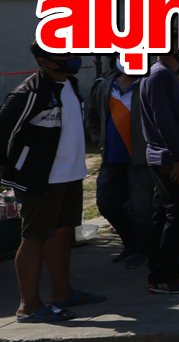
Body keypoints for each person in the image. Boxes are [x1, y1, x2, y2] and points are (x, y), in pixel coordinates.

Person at [2, 44, 104, 321]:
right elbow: (4, 131)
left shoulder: (69, 84)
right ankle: (29, 307)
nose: (72, 59)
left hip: (70, 173)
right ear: (45, 62)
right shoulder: (29, 93)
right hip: (41, 178)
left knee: (61, 231)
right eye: (64, 56)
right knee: (34, 238)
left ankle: (62, 292)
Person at [139, 49, 179, 294]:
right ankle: (165, 276)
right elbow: (163, 119)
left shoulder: (164, 75)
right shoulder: (160, 75)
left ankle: (167, 271)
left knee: (165, 216)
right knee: (178, 217)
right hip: (169, 158)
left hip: (167, 156)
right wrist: (178, 156)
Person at [94, 59, 152, 268]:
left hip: (140, 159)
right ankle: (130, 244)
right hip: (111, 158)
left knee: (142, 208)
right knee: (106, 203)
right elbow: (93, 116)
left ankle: (144, 250)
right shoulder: (105, 85)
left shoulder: (149, 84)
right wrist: (99, 140)